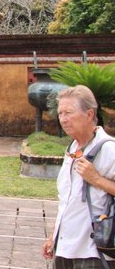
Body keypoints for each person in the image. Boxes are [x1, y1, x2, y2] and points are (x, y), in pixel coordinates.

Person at [42, 85, 115, 267]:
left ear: (89, 114)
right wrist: (53, 236)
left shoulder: (108, 149)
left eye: (68, 113)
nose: (63, 119)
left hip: (94, 252)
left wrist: (97, 180)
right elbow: (67, 200)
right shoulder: (72, 149)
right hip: (65, 249)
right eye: (60, 113)